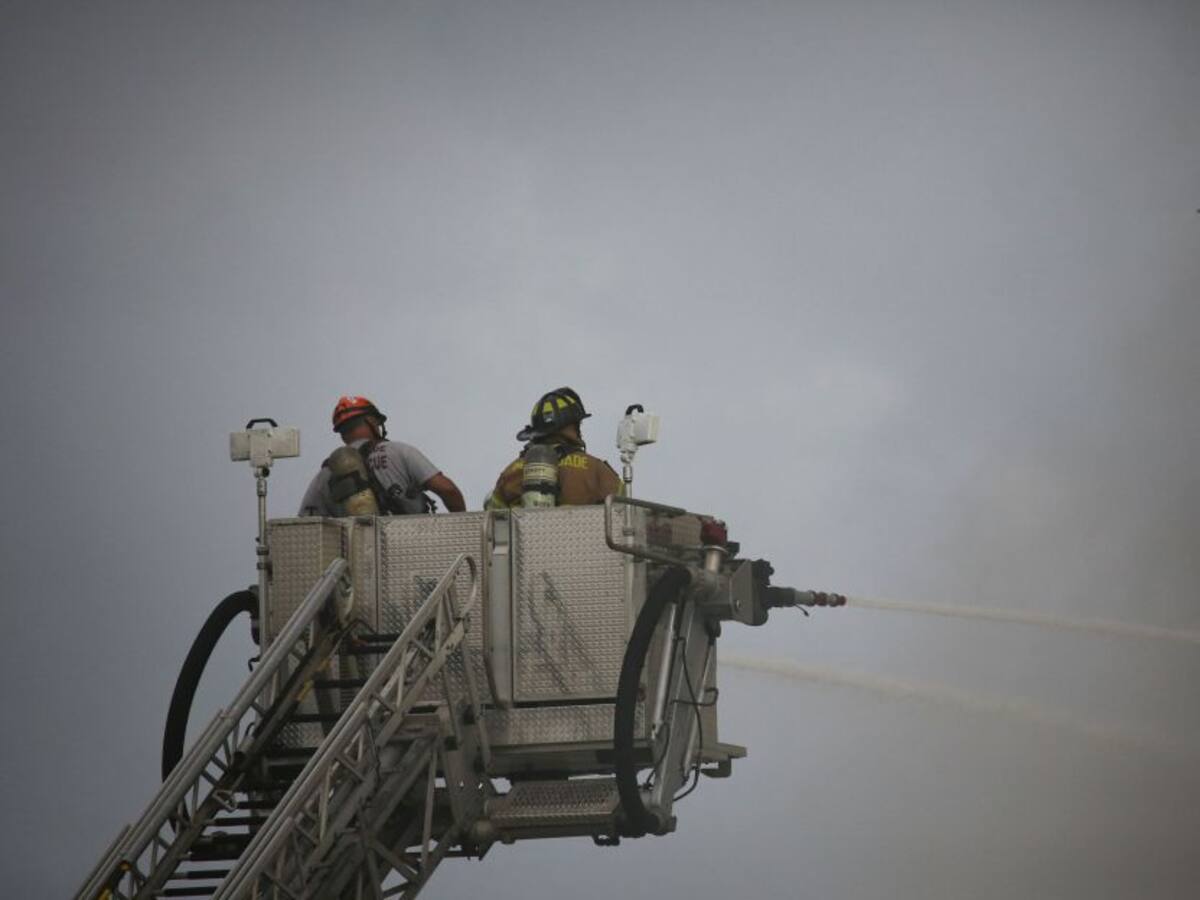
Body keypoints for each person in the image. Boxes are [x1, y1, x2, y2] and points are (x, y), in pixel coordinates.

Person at [299, 395, 466, 516]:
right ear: (372, 422)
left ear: (343, 435)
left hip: (358, 559)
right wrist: (463, 529)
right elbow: (448, 490)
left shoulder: (324, 475)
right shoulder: (400, 452)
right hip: (415, 547)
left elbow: (307, 524)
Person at [485, 387, 622, 509]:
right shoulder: (595, 470)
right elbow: (626, 510)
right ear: (570, 425)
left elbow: (493, 519)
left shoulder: (511, 472)